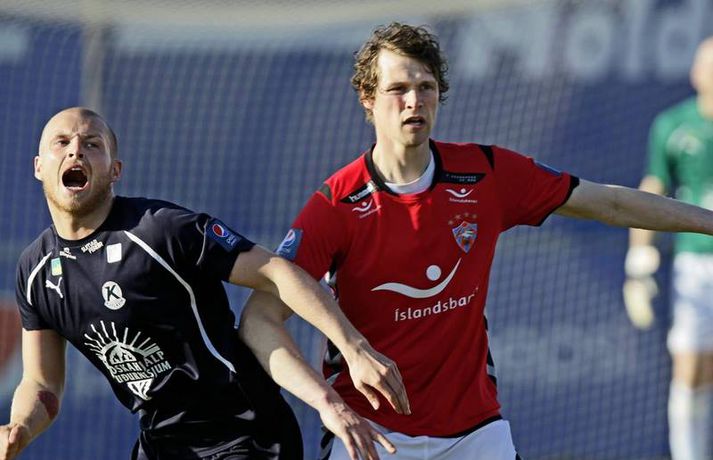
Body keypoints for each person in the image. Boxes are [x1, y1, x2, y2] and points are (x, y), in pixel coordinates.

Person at [238, 23, 713, 460]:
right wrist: (328, 404)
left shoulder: (485, 173)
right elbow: (259, 318)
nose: (413, 101)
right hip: (373, 436)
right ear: (367, 98)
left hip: (475, 434)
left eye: (426, 87)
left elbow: (609, 203)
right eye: (398, 89)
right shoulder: (337, 204)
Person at [0, 107, 410, 460]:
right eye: (61, 142)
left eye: (92, 144)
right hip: (162, 442)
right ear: (38, 167)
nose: (75, 149)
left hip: (245, 433)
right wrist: (20, 425)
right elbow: (41, 382)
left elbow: (276, 272)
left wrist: (353, 349)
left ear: (115, 171)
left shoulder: (160, 230)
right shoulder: (35, 271)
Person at [623, 37, 713, 460]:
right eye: (708, 65)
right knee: (692, 368)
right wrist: (639, 262)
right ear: (695, 73)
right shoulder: (673, 124)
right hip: (696, 264)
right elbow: (652, 191)